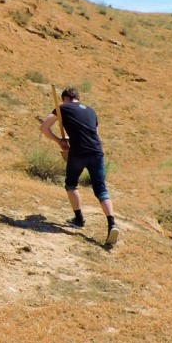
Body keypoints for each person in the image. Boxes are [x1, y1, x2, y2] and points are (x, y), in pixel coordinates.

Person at [41, 86, 119, 248]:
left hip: (78, 153)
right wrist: (69, 138)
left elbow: (44, 128)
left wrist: (59, 141)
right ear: (78, 98)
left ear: (65, 98)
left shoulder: (62, 108)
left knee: (71, 184)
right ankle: (112, 223)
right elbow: (92, 133)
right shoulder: (91, 111)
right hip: (97, 151)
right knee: (101, 190)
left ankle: (79, 219)